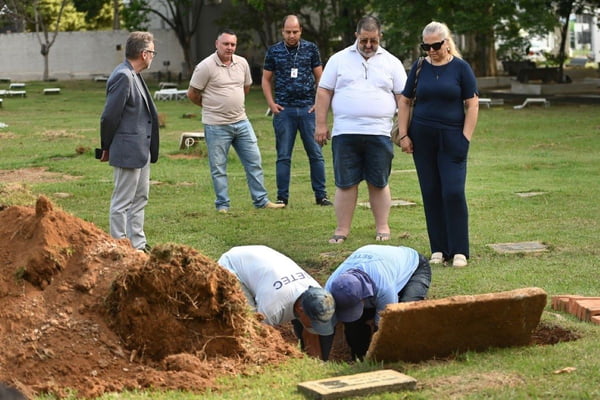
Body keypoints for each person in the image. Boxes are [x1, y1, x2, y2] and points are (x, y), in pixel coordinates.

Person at [314, 16, 407, 244]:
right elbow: (324, 91)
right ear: (356, 36)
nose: (368, 45)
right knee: (345, 183)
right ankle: (342, 229)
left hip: (380, 132)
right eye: (364, 40)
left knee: (379, 182)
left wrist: (403, 131)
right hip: (345, 132)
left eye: (373, 41)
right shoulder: (338, 60)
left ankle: (382, 227)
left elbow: (403, 99)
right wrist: (321, 124)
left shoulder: (392, 63)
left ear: (380, 37)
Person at [396, 21, 479, 268]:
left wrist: (465, 137)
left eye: (436, 45)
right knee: (431, 192)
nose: (431, 50)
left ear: (446, 42)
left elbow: (472, 104)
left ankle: (459, 250)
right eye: (426, 46)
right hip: (422, 138)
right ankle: (439, 249)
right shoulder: (420, 67)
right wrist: (403, 135)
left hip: (453, 137)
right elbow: (405, 100)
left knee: (452, 192)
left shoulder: (461, 68)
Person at [187, 29, 284, 212]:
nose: (229, 48)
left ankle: (261, 201)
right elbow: (192, 94)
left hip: (241, 122)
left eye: (232, 44)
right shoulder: (205, 66)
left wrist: (231, 103)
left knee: (254, 161)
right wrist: (211, 107)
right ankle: (223, 205)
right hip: (216, 125)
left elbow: (246, 88)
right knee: (218, 168)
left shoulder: (242, 63)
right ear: (217, 44)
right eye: (226, 44)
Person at [217, 245, 336, 360]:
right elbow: (257, 336)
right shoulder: (272, 309)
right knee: (247, 318)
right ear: (300, 309)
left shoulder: (318, 294)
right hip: (233, 265)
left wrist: (317, 362)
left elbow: (311, 331)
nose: (316, 326)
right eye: (314, 322)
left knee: (310, 324)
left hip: (261, 258)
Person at [262, 15, 331, 207]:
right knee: (284, 155)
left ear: (301, 31)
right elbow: (266, 79)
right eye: (288, 32)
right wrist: (271, 104)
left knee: (315, 154)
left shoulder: (310, 49)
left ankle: (321, 195)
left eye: (295, 31)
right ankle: (282, 197)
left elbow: (321, 78)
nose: (291, 35)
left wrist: (318, 103)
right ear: (282, 31)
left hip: (308, 109)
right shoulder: (274, 51)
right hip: (284, 110)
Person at [100, 31, 160, 253]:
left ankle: (138, 245)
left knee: (140, 198)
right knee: (122, 202)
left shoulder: (134, 74)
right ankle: (119, 247)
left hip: (140, 150)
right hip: (127, 150)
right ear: (144, 54)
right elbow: (109, 116)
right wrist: (106, 147)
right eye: (152, 52)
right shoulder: (123, 76)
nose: (153, 56)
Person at [325, 244, 431, 360]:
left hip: (414, 267)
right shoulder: (330, 287)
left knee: (403, 314)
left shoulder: (384, 288)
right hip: (380, 261)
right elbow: (326, 325)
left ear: (362, 297)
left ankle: (405, 358)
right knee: (353, 326)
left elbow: (384, 327)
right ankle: (359, 358)